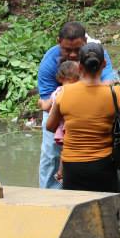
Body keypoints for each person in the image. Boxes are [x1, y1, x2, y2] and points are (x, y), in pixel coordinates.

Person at [37, 21, 115, 189]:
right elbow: (47, 103)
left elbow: (109, 83)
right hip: (58, 110)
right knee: (52, 153)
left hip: (92, 105)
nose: (72, 55)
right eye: (67, 50)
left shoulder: (97, 54)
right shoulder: (49, 62)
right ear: (59, 42)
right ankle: (49, 193)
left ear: (85, 42)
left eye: (77, 49)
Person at [45, 42, 120, 193]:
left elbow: (50, 126)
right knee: (106, 208)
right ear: (104, 64)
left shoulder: (64, 93)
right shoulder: (117, 93)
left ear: (80, 67)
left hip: (72, 166)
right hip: (104, 164)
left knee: (76, 209)